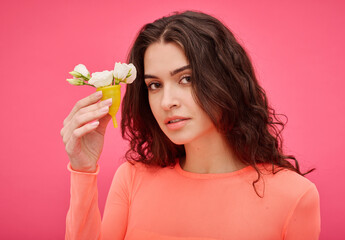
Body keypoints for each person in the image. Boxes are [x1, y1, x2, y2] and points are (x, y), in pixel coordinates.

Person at [61, 10, 321, 240]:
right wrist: (83, 170)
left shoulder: (294, 197)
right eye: (155, 85)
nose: (166, 102)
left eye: (186, 79)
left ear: (226, 80)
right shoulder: (131, 180)